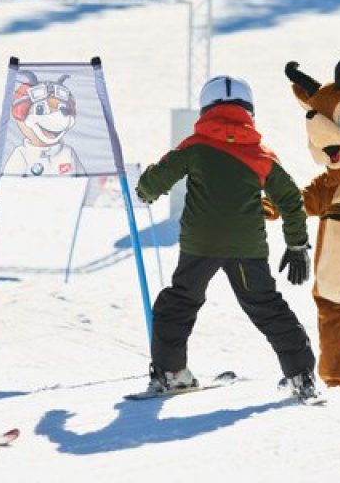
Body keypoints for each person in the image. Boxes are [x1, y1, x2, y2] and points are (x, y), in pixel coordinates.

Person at [135, 76, 318, 401]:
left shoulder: (196, 146)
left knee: (179, 302)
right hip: (247, 247)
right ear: (249, 111)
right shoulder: (261, 154)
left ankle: (170, 372)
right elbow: (290, 198)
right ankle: (301, 375)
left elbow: (158, 178)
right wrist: (296, 243)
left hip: (200, 244)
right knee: (266, 306)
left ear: (206, 109)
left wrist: (145, 189)